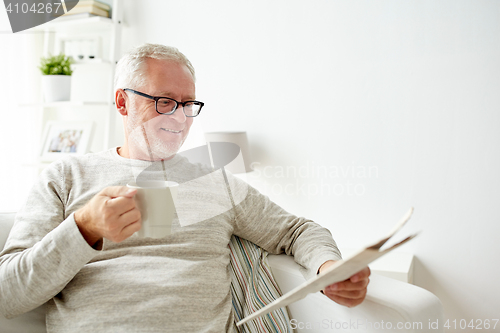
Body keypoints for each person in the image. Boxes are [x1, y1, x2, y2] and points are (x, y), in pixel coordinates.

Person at [0, 44, 370, 332]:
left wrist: (329, 268)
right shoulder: (66, 177)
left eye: (187, 104)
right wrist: (84, 229)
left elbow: (296, 230)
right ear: (122, 102)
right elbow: (7, 295)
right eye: (164, 102)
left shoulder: (213, 183)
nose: (178, 117)